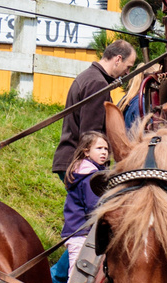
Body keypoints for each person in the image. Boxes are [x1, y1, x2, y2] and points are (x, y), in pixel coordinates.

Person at [51, 40, 136, 179]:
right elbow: (91, 134)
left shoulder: (89, 77)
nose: (127, 72)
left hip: (73, 161)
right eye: (128, 67)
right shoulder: (97, 83)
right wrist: (98, 171)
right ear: (118, 59)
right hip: (82, 166)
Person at [51, 131, 109, 283]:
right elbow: (94, 207)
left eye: (106, 148)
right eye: (99, 148)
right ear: (86, 151)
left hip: (77, 232)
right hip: (82, 233)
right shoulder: (90, 177)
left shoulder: (82, 172)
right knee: (76, 279)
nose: (104, 152)